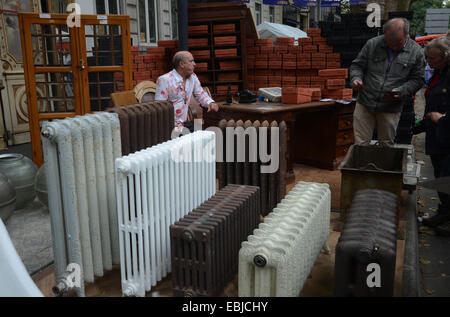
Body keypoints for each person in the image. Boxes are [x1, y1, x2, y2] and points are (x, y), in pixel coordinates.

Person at [350, 18, 425, 146]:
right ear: (385, 34)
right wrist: (356, 78)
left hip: (391, 106)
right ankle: (362, 166)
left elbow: (418, 80)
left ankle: (382, 166)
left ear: (407, 34)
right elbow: (357, 66)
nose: (394, 46)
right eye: (390, 42)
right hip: (365, 103)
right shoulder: (372, 44)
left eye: (398, 42)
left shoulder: (416, 52)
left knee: (386, 144)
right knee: (360, 144)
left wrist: (402, 90)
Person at [416, 35, 450, 233]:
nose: (428, 62)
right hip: (437, 135)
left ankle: (447, 219)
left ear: (445, 56)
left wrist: (442, 118)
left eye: (432, 58)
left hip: (446, 135)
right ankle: (443, 213)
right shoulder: (439, 72)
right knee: (441, 176)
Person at [155, 51, 219, 133]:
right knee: (190, 140)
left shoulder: (193, 77)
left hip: (184, 123)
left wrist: (210, 103)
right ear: (181, 64)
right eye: (191, 61)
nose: (194, 64)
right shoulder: (165, 80)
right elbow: (160, 107)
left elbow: (200, 94)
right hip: (169, 125)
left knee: (203, 137)